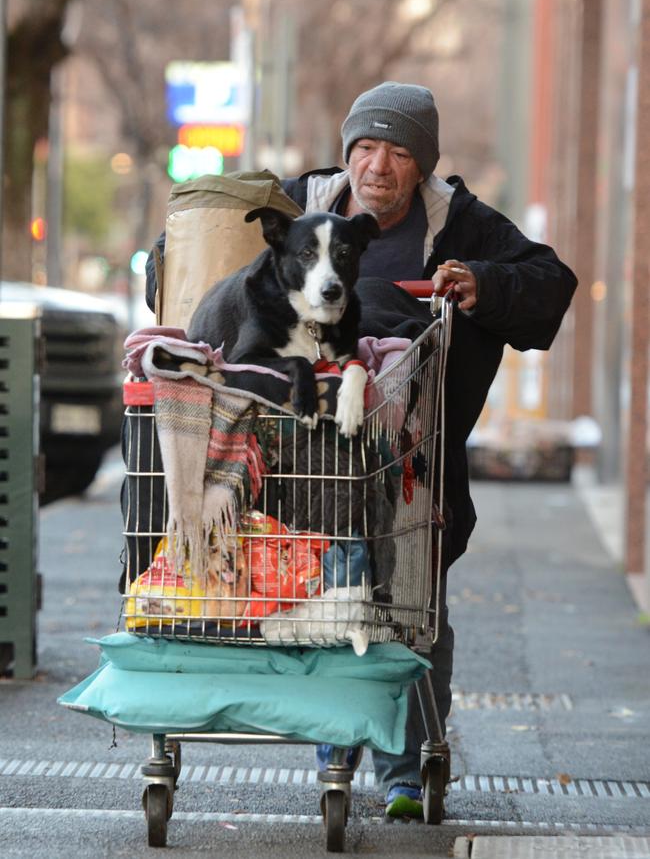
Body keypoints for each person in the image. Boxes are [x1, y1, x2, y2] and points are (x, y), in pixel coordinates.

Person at [143, 81, 577, 819]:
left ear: (424, 164)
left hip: (402, 455)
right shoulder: (291, 201)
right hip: (281, 451)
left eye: (400, 151)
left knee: (407, 594)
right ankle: (334, 744)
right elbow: (185, 257)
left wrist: (484, 281)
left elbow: (550, 281)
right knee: (317, 591)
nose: (379, 165)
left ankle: (404, 769)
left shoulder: (461, 224)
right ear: (348, 153)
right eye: (367, 146)